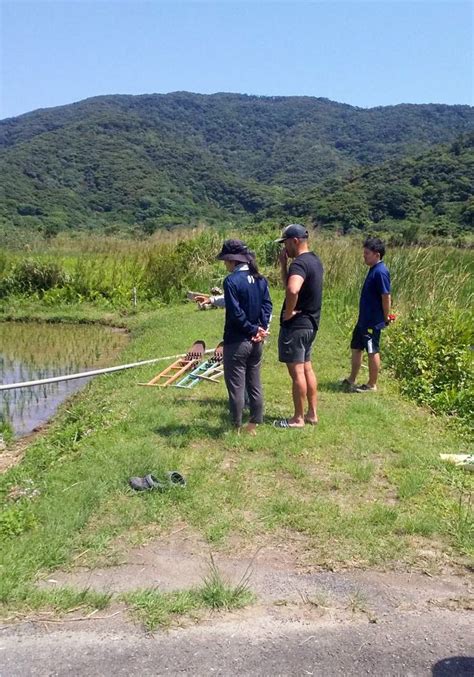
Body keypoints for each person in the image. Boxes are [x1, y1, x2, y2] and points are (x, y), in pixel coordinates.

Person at [217, 239, 272, 434]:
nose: (225, 264)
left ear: (233, 261)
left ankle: (236, 426)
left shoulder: (231, 281)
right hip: (256, 341)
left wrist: (250, 329)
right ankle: (255, 423)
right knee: (254, 381)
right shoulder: (260, 278)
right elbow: (267, 305)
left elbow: (235, 312)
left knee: (236, 385)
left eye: (226, 260)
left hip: (237, 340)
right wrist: (261, 329)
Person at [274, 224, 323, 429]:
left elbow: (292, 290)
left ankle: (297, 418)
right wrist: (284, 265)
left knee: (297, 373)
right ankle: (312, 413)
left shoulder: (300, 264)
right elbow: (290, 285)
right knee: (307, 368)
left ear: (295, 241)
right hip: (311, 324)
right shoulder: (315, 261)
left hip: (296, 326)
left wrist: (288, 313)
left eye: (285, 242)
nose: (284, 246)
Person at [342, 237, 392, 393]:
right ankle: (351, 379)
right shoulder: (373, 270)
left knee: (372, 350)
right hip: (363, 320)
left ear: (377, 255)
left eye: (367, 253)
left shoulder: (381, 272)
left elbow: (386, 296)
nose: (364, 256)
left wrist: (386, 317)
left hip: (372, 321)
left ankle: (371, 384)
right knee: (356, 347)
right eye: (364, 253)